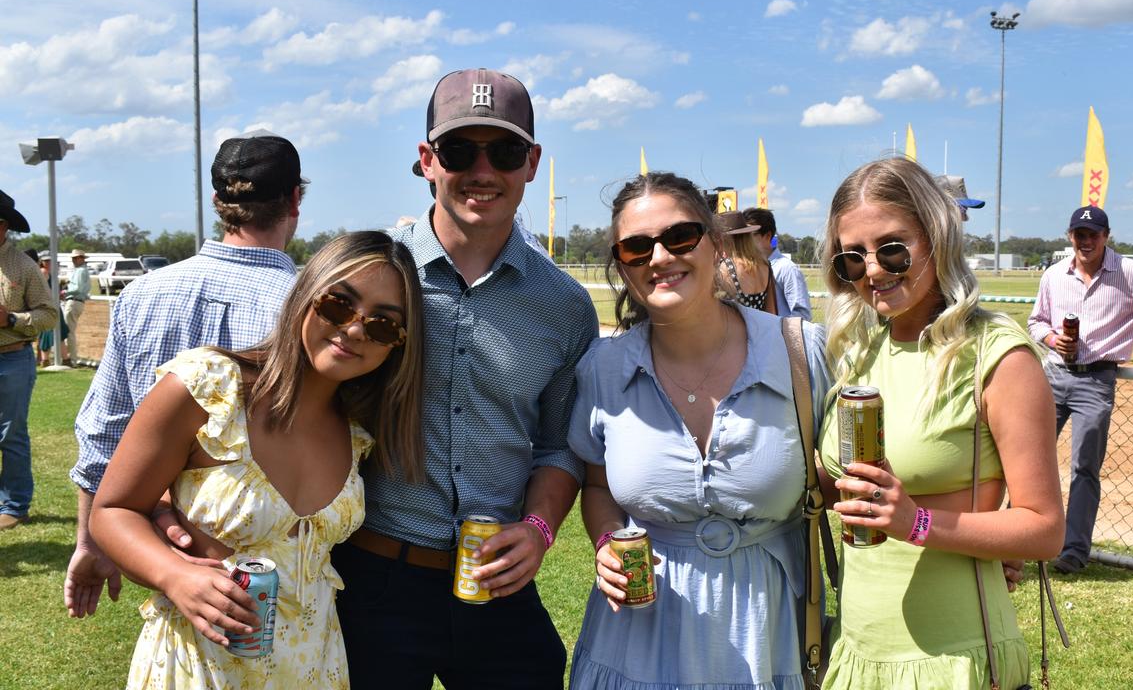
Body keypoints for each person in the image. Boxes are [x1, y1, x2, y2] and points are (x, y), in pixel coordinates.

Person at [332, 68, 598, 688]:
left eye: (503, 151)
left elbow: (562, 445)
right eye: (459, 150)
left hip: (494, 578)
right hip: (373, 574)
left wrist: (538, 529)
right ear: (428, 159)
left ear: (531, 163)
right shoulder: (371, 276)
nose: (483, 170)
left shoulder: (563, 305)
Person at [91, 231, 423, 689]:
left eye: (383, 325)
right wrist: (175, 576)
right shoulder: (207, 387)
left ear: (397, 345)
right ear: (307, 294)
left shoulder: (359, 434)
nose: (353, 330)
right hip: (198, 668)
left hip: (314, 669)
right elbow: (112, 511)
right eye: (339, 304)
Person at [567, 172, 830, 689]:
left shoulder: (801, 352)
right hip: (636, 639)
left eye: (679, 237)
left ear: (713, 244)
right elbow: (597, 485)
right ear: (621, 265)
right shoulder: (604, 369)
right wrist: (605, 543)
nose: (660, 257)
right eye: (637, 247)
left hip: (769, 628)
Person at [816, 158, 1064, 688]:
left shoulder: (996, 356)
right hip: (860, 648)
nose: (874, 271)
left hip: (955, 655)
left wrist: (917, 523)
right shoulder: (860, 351)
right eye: (852, 259)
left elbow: (1043, 529)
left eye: (891, 249)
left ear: (938, 238)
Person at [65, 130, 305, 618]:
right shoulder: (308, 307)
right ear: (295, 200)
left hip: (156, 544)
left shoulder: (144, 293)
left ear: (218, 201)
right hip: (270, 553)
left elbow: (104, 430)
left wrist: (91, 540)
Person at [1027, 204, 1133, 574]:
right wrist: (1051, 338)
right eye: (1079, 234)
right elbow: (1036, 322)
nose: (1085, 241)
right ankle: (1024, 539)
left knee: (1084, 468)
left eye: (1093, 234)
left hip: (1097, 380)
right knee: (1028, 460)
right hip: (1054, 374)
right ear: (1070, 236)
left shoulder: (1132, 273)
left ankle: (1074, 551)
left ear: (1107, 237)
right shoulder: (1054, 275)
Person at [0, 190, 58, 531]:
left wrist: (10, 321)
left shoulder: (23, 266)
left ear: (3, 225)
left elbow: (49, 315)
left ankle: (15, 504)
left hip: (12, 360)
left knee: (10, 434)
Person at [743, 207, 813, 319]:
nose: (743, 240)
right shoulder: (745, 267)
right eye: (742, 235)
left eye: (749, 235)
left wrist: (774, 328)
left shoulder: (787, 269)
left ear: (767, 236)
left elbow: (803, 315)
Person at [716, 210, 778, 313]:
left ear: (726, 239)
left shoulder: (725, 268)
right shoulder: (765, 265)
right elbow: (772, 311)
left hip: (734, 328)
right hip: (761, 327)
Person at [36, 252, 70, 366]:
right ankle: (46, 360)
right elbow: (43, 290)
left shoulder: (51, 273)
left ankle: (63, 359)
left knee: (59, 331)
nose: (48, 263)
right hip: (48, 306)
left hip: (53, 304)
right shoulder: (44, 272)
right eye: (46, 261)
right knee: (47, 331)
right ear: (42, 262)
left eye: (50, 261)